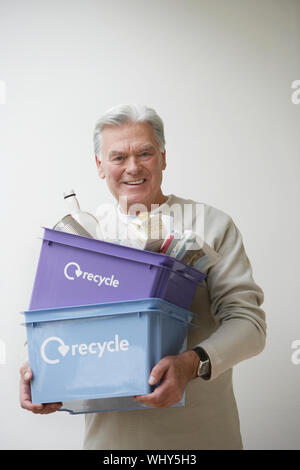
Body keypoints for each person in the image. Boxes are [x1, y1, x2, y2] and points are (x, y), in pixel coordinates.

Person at [20, 104, 266, 449]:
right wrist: (42, 372)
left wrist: (191, 363)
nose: (133, 168)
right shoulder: (83, 236)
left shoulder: (212, 225)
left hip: (203, 437)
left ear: (163, 157)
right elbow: (59, 328)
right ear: (99, 166)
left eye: (145, 153)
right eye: (118, 157)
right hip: (112, 443)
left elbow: (249, 325)